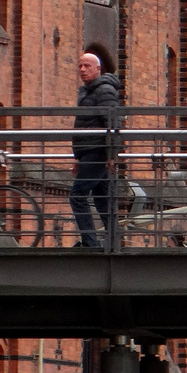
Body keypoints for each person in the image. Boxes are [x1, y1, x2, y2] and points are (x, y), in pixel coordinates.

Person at [70, 52, 123, 248]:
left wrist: (111, 154)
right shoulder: (88, 91)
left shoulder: (104, 90)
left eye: (87, 66)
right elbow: (83, 126)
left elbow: (112, 123)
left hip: (98, 152)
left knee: (77, 195)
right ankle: (114, 243)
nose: (82, 70)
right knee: (103, 201)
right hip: (90, 152)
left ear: (98, 69)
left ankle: (90, 243)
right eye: (80, 66)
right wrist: (78, 157)